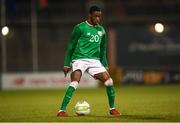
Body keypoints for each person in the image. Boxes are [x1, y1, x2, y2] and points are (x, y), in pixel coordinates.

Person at [57, 5, 121, 117]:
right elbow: (71, 45)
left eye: (99, 16)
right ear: (90, 15)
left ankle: (112, 108)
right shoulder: (80, 28)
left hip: (94, 61)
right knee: (75, 82)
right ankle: (62, 110)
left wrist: (105, 64)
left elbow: (103, 49)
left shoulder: (101, 30)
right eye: (95, 16)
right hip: (79, 59)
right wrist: (67, 63)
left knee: (109, 81)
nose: (97, 18)